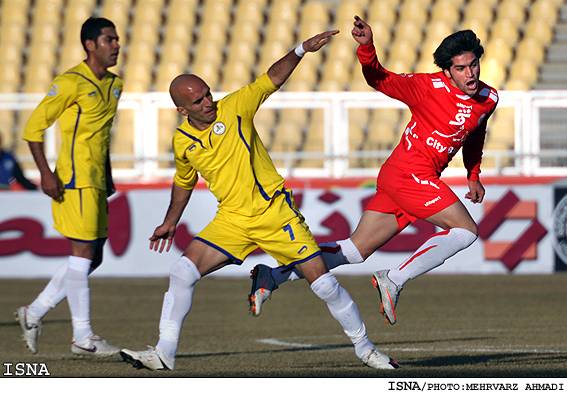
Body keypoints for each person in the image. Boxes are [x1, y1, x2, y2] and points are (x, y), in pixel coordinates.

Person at [120, 30, 399, 371]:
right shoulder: (182, 142)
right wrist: (170, 222)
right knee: (182, 272)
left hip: (274, 212)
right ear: (181, 110)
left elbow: (272, 79)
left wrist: (300, 50)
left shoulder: (236, 106)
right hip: (233, 219)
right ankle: (164, 353)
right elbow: (184, 182)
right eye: (198, 102)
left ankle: (365, 348)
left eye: (208, 94)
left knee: (324, 284)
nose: (208, 102)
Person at [249, 16, 499, 327]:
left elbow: (474, 134)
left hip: (407, 179)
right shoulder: (426, 87)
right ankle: (394, 279)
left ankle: (271, 276)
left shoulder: (488, 99)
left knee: (355, 250)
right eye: (460, 68)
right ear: (447, 71)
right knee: (465, 231)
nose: (470, 73)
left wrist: (473, 174)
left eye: (473, 64)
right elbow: (379, 79)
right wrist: (367, 47)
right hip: (409, 174)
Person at [15, 17, 122, 357]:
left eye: (117, 39)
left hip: (96, 181)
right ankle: (82, 336)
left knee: (94, 257)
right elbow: (34, 129)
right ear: (90, 45)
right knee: (82, 255)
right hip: (73, 181)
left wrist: (107, 176)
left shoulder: (116, 85)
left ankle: (33, 313)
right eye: (109, 40)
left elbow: (101, 137)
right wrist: (46, 173)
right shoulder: (70, 83)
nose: (116, 45)